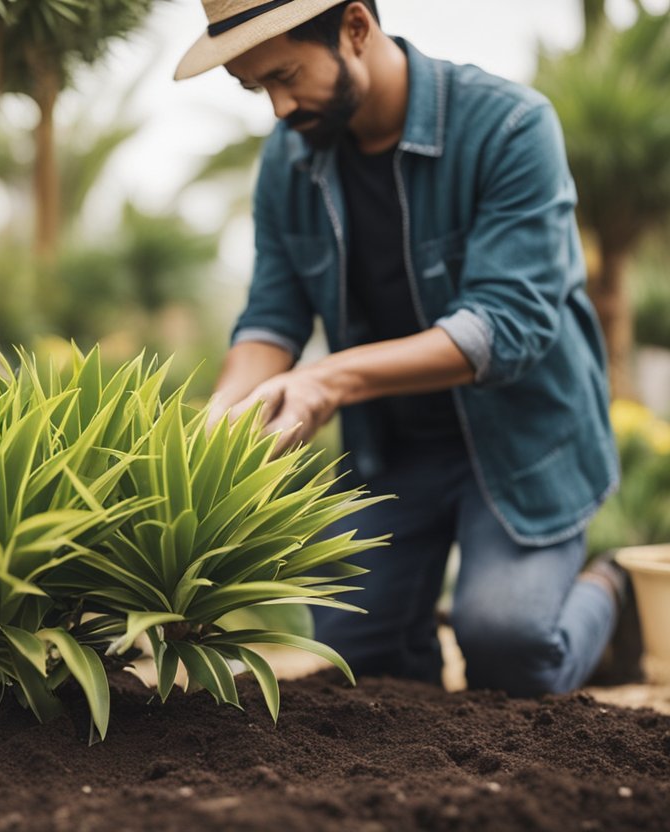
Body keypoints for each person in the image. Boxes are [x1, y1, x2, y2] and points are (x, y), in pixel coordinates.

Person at [176, 0, 637, 694]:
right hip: (394, 452)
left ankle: (609, 591)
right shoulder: (287, 162)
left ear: (355, 28)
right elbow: (272, 317)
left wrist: (329, 380)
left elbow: (504, 324)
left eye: (285, 76)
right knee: (355, 664)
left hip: (520, 448)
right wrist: (219, 415)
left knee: (507, 650)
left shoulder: (510, 125)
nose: (275, 108)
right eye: (255, 88)